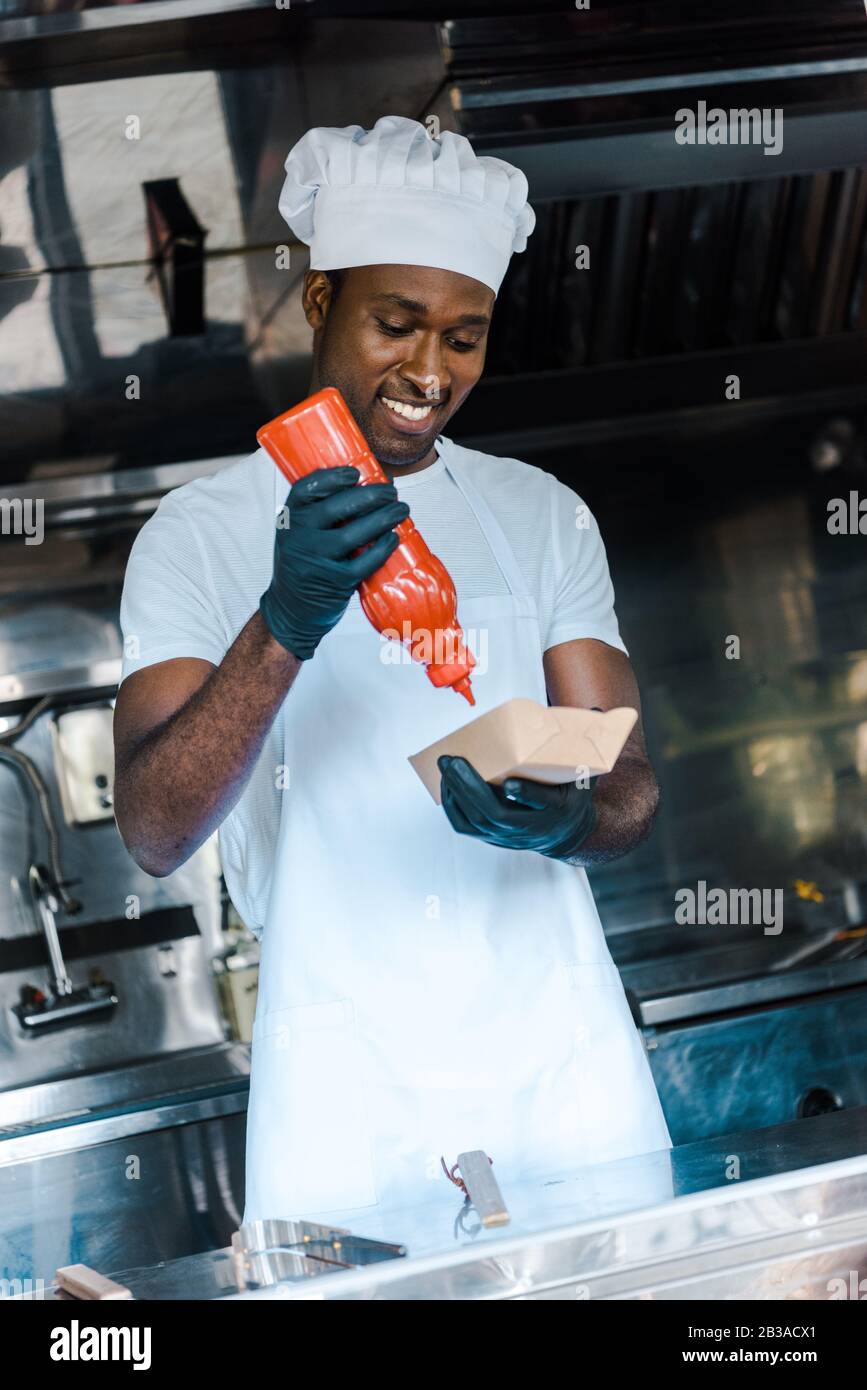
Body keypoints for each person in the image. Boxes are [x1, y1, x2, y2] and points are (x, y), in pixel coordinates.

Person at [113, 115, 672, 1226]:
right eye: (398, 324)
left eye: (464, 337)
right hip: (346, 1091)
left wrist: (566, 819)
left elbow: (628, 777)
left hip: (564, 1073)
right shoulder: (200, 535)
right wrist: (287, 618)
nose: (430, 370)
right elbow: (155, 826)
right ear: (320, 303)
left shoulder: (538, 515)